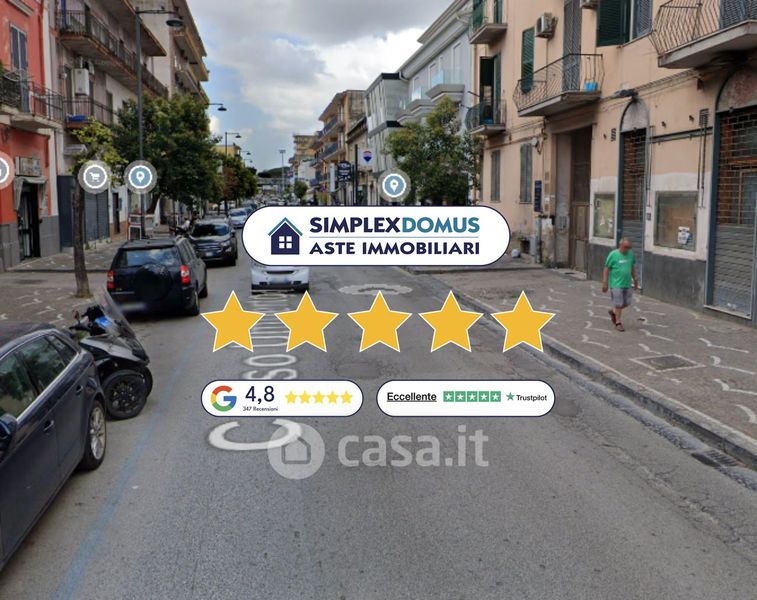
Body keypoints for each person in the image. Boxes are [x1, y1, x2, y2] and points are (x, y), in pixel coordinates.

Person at [602, 238, 638, 332]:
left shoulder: (630, 254)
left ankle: (613, 312)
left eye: (629, 247)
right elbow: (606, 268)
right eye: (626, 247)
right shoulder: (613, 254)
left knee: (626, 303)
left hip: (627, 283)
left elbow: (632, 267)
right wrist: (605, 282)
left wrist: (635, 279)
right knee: (618, 304)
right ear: (620, 246)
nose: (628, 249)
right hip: (616, 284)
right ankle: (618, 323)